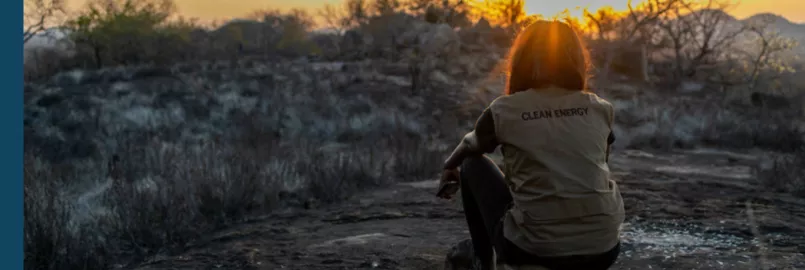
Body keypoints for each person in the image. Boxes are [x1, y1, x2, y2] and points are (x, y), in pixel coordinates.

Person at [436, 20, 625, 270]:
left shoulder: (505, 110)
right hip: (603, 250)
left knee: (471, 165)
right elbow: (597, 166)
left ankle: (483, 262)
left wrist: (450, 165)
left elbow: (471, 145)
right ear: (578, 60)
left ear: (520, 61)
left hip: (534, 250)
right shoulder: (599, 108)